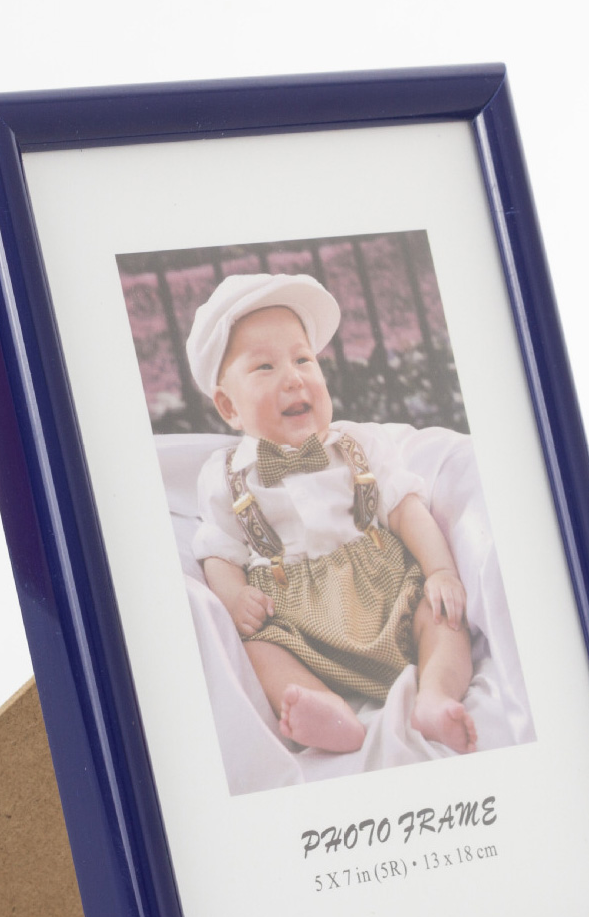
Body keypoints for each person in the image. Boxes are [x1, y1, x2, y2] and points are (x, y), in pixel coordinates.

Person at [189, 273, 477, 756]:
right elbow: (218, 549)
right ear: (228, 406)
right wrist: (235, 596)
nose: (293, 377)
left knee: (442, 616)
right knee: (259, 648)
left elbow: (405, 509)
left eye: (303, 359)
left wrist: (440, 570)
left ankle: (435, 695)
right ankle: (329, 711)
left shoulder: (357, 444)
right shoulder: (226, 476)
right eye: (264, 366)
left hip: (386, 592)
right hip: (297, 623)